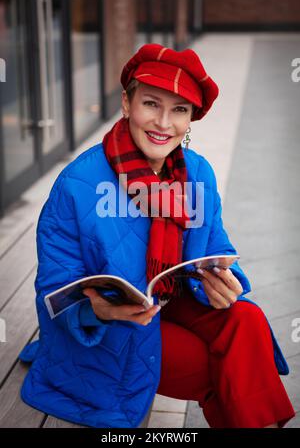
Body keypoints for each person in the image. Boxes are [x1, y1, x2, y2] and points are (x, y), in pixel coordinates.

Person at [19, 44, 295, 428]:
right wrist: (94, 310)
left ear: (190, 119)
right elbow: (54, 287)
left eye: (179, 110)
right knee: (221, 365)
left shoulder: (198, 172)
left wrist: (225, 279)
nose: (164, 123)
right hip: (114, 325)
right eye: (151, 103)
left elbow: (215, 243)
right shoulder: (77, 184)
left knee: (246, 319)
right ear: (126, 103)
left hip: (176, 298)